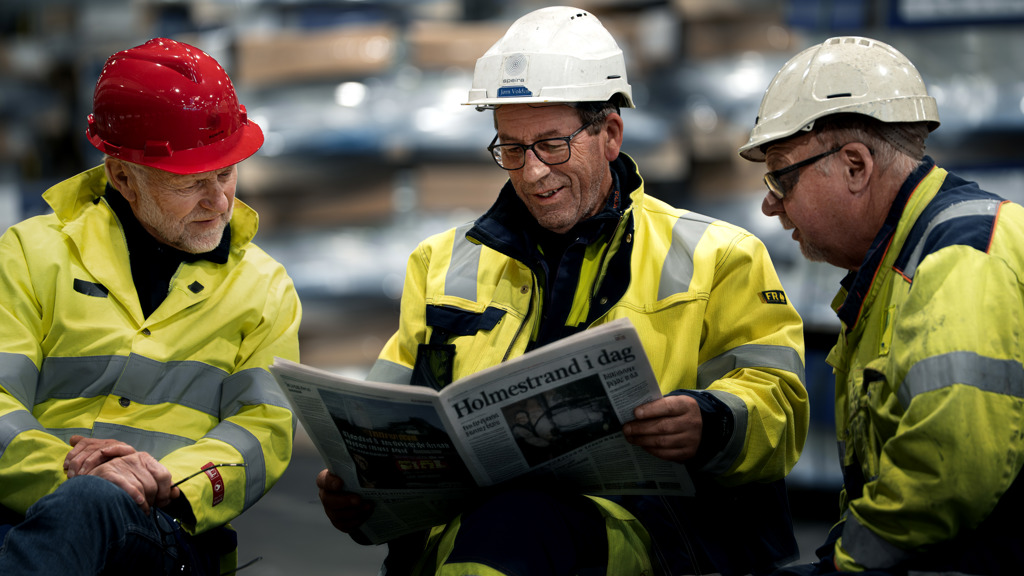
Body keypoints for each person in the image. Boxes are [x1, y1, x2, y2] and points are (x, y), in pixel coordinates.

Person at [317, 7, 808, 576]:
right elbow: (384, 415)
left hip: (652, 542)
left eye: (552, 144)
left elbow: (780, 404)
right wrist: (358, 485)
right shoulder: (440, 265)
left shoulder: (720, 256)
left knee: (518, 523)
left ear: (610, 135)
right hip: (464, 544)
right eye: (512, 148)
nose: (531, 173)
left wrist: (711, 422)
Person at [0, 38, 302, 575]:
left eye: (227, 172)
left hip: (167, 533)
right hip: (27, 516)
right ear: (122, 177)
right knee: (82, 506)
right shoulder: (30, 255)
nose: (220, 201)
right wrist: (68, 476)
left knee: (89, 505)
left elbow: (261, 431)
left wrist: (163, 484)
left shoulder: (264, 288)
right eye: (190, 183)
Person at [739, 36, 1024, 575]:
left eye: (782, 175)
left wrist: (842, 566)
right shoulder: (898, 267)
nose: (770, 202)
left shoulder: (960, 255)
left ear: (854, 165)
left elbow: (951, 470)